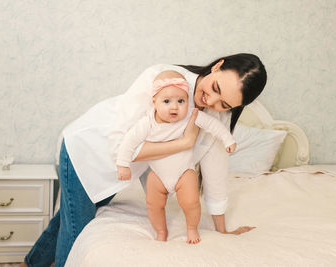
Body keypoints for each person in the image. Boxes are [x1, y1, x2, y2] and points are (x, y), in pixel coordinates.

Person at [20, 53, 267, 267]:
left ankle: (31, 263)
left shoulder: (216, 117)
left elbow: (215, 173)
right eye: (215, 89)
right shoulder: (164, 80)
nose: (212, 102)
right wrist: (183, 143)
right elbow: (120, 148)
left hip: (119, 171)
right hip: (88, 150)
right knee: (77, 232)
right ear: (217, 66)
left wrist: (222, 231)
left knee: (69, 216)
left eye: (224, 104)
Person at [116, 71, 236, 244]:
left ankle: (192, 228)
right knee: (153, 205)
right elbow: (129, 142)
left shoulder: (191, 116)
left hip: (183, 173)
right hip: (158, 175)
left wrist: (228, 139)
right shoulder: (147, 123)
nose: (174, 107)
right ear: (154, 102)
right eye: (166, 101)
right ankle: (161, 231)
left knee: (191, 203)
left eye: (181, 101)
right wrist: (123, 165)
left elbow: (213, 125)